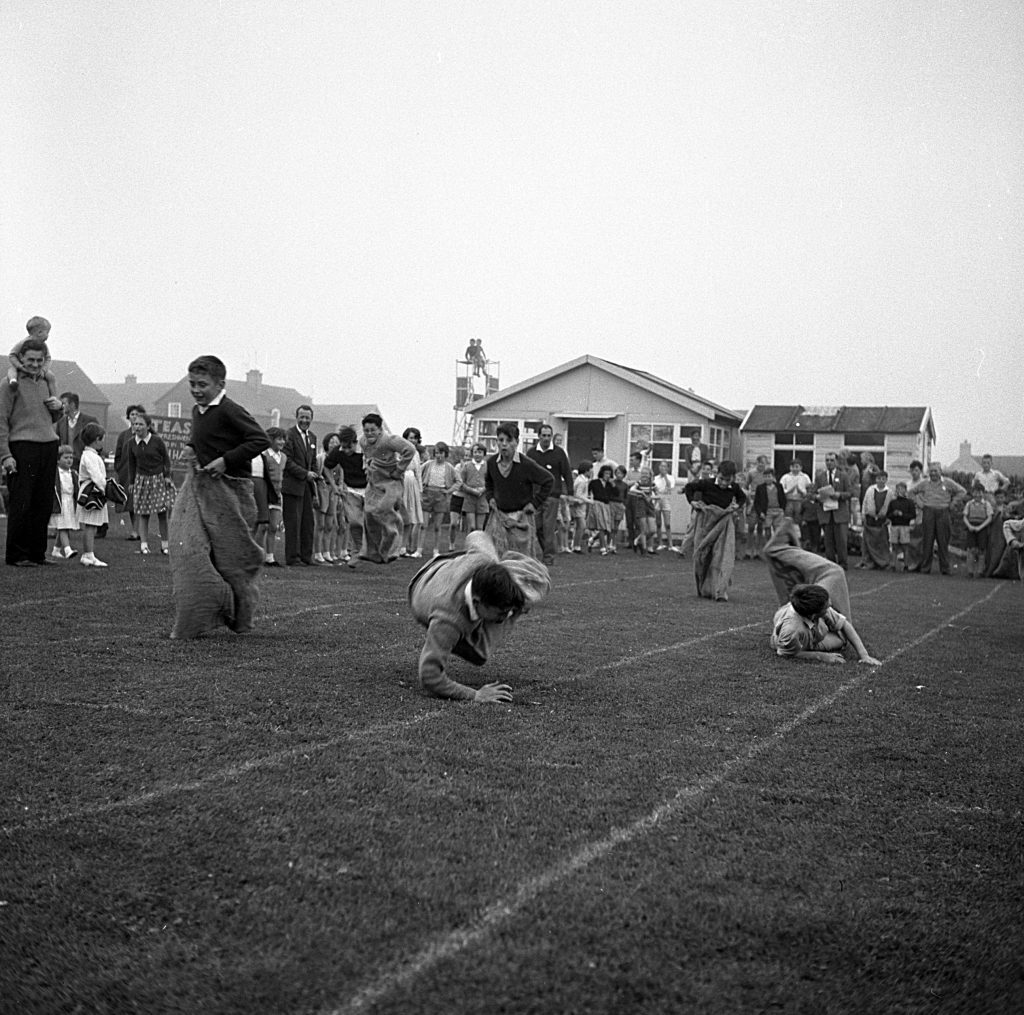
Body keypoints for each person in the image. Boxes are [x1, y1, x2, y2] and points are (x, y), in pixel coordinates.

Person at [171, 355, 269, 639]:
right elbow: (202, 436)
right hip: (200, 487)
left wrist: (226, 460)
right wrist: (191, 447)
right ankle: (197, 617)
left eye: (203, 384)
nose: (196, 390)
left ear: (221, 384)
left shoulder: (229, 410)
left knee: (232, 561)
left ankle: (241, 617)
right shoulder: (197, 411)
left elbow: (258, 440)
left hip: (231, 492)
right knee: (189, 548)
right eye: (192, 384)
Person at [408, 530, 550, 702]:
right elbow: (430, 677)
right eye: (502, 612)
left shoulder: (485, 560)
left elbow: (476, 535)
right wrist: (475, 694)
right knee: (479, 654)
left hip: (448, 569)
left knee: (525, 577)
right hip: (423, 587)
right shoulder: (448, 621)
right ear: (477, 602)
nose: (505, 616)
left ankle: (511, 589)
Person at [764, 518, 880, 665]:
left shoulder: (815, 609)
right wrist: (821, 656)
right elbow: (785, 653)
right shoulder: (792, 630)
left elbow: (845, 625)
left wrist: (864, 655)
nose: (830, 604)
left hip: (804, 628)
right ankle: (778, 549)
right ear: (814, 614)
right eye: (826, 606)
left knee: (834, 575)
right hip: (801, 636)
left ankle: (781, 550)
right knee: (834, 572)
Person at [0, 335, 63, 566]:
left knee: (43, 503)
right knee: (22, 502)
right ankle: (17, 555)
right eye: (30, 360)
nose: (35, 364)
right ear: (21, 359)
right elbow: (1, 422)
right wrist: (6, 456)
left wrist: (60, 408)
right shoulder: (9, 384)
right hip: (22, 447)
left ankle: (37, 554)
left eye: (39, 360)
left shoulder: (47, 381)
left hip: (48, 446)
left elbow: (53, 417)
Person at [484, 422, 552, 559]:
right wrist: (490, 497)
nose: (504, 444)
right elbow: (488, 482)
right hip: (499, 517)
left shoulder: (526, 464)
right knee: (495, 558)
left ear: (516, 442)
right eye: (500, 440)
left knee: (521, 559)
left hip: (521, 518)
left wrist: (534, 503)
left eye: (509, 440)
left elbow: (548, 480)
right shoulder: (491, 463)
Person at [682, 459, 747, 601]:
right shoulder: (706, 483)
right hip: (705, 524)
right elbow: (689, 488)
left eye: (728, 480)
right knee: (702, 557)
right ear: (717, 474)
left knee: (722, 556)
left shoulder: (734, 487)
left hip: (723, 524)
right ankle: (703, 588)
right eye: (722, 479)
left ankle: (720, 591)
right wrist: (692, 502)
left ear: (733, 478)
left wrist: (737, 506)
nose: (724, 483)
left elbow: (742, 497)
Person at [360, 413, 416, 564]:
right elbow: (367, 458)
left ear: (380, 429)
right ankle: (373, 552)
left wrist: (399, 470)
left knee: (384, 509)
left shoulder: (389, 440)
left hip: (392, 480)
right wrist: (368, 468)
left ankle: (394, 547)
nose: (370, 433)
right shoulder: (363, 442)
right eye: (366, 430)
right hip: (375, 480)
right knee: (369, 513)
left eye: (373, 430)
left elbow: (410, 449)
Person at [527, 423, 574, 566]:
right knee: (537, 527)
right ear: (538, 436)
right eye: (544, 436)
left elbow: (566, 472)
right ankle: (546, 551)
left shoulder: (559, 453)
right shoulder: (531, 453)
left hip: (552, 494)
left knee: (548, 527)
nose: (546, 438)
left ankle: (548, 558)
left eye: (549, 436)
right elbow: (526, 473)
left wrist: (570, 491)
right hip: (535, 495)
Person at [128, 412, 174, 555]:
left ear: (148, 426)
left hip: (158, 479)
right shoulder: (131, 443)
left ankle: (165, 545)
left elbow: (166, 460)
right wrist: (131, 482)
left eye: (141, 424)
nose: (137, 427)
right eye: (135, 424)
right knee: (143, 513)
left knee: (162, 513)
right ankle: (144, 545)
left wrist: (167, 476)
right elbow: (131, 464)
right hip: (142, 480)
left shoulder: (157, 441)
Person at [910, 463, 966, 575]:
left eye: (935, 471)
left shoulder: (948, 482)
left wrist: (953, 503)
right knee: (927, 541)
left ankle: (945, 569)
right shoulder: (924, 483)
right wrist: (920, 503)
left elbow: (962, 491)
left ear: (940, 471)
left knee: (943, 541)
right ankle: (925, 568)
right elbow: (911, 492)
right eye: (931, 471)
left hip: (943, 512)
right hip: (928, 512)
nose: (933, 473)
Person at [324, 425, 368, 566]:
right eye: (344, 447)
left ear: (355, 442)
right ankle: (356, 552)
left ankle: (372, 549)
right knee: (355, 522)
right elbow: (326, 466)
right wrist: (334, 485)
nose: (346, 451)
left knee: (371, 522)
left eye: (349, 447)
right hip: (351, 490)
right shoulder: (339, 451)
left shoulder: (365, 450)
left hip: (369, 489)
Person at [282, 406, 319, 567]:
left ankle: (306, 556)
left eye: (307, 417)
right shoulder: (289, 435)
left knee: (308, 523)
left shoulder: (312, 437)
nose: (304, 420)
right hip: (293, 485)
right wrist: (305, 473)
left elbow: (313, 461)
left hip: (307, 487)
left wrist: (315, 474)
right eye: (302, 417)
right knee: (293, 522)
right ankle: (293, 557)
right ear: (296, 417)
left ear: (312, 418)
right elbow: (287, 461)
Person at [811, 452, 854, 568]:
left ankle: (843, 563)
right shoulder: (820, 477)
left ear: (837, 462)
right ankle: (830, 563)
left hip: (839, 513)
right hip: (826, 512)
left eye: (831, 460)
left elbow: (850, 492)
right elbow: (812, 494)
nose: (829, 463)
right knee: (828, 540)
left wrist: (839, 495)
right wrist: (817, 497)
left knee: (841, 540)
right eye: (827, 460)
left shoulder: (843, 476)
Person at [76, 422, 110, 567]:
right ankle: (88, 555)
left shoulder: (92, 455)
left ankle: (88, 554)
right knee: (90, 524)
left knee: (93, 524)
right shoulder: (89, 456)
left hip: (95, 491)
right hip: (91, 493)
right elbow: (95, 475)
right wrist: (105, 488)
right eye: (102, 439)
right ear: (97, 439)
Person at [113, 404, 146, 541]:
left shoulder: (147, 434)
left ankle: (139, 531)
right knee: (131, 502)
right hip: (127, 473)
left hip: (142, 472)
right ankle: (135, 530)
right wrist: (119, 469)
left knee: (140, 501)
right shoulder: (123, 435)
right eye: (132, 414)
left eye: (137, 414)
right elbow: (118, 454)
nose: (134, 417)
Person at [420, 441, 457, 557]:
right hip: (427, 494)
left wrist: (449, 490)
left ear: (445, 454)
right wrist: (421, 488)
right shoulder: (428, 464)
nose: (438, 456)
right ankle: (419, 549)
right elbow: (418, 474)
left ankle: (436, 550)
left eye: (441, 453)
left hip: (441, 495)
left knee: (437, 526)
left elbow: (459, 481)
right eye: (436, 453)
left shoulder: (449, 467)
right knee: (423, 524)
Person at [7, 317, 58, 396]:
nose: (48, 335)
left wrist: (43, 370)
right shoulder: (23, 343)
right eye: (47, 332)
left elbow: (48, 358)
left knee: (51, 376)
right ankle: (13, 381)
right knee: (12, 370)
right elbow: (12, 355)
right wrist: (19, 366)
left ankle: (54, 396)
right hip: (23, 366)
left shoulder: (43, 345)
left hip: (39, 369)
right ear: (40, 332)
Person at [261, 427, 287, 566]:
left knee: (273, 526)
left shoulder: (283, 457)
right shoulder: (264, 455)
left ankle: (270, 557)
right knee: (262, 526)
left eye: (283, 439)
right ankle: (257, 554)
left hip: (277, 495)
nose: (282, 442)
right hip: (265, 494)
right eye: (279, 439)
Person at [398, 427, 425, 559]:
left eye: (415, 438)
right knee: (401, 515)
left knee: (412, 516)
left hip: (412, 483)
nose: (413, 440)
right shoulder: (400, 451)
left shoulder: (416, 454)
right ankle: (398, 546)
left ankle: (407, 547)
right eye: (410, 438)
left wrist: (420, 491)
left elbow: (418, 473)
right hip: (402, 482)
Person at [859, 470, 894, 570]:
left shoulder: (890, 492)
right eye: (879, 478)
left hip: (882, 521)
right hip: (870, 519)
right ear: (876, 479)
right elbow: (865, 502)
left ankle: (882, 563)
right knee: (868, 543)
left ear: (886, 480)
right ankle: (868, 562)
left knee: (881, 543)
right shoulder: (870, 490)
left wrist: (889, 519)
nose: (881, 481)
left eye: (883, 479)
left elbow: (892, 507)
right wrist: (863, 515)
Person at [56, 392, 99, 471]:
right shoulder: (61, 422)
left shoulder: (89, 421)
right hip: (65, 466)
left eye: (63, 404)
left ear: (72, 404)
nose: (61, 407)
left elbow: (97, 443)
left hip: (84, 465)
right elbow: (58, 443)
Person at [49, 444, 79, 559]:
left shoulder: (73, 474)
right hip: (60, 503)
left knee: (65, 526)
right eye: (65, 458)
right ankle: (67, 550)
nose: (69, 460)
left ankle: (56, 550)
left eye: (71, 457)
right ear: (58, 460)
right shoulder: (55, 473)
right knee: (62, 526)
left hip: (70, 502)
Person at [962, 482, 994, 579]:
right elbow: (964, 517)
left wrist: (980, 527)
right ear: (972, 493)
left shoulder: (986, 504)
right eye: (975, 492)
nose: (977, 495)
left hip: (982, 528)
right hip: (971, 527)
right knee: (971, 549)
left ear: (983, 493)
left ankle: (980, 571)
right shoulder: (969, 504)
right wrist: (970, 526)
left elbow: (989, 518)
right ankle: (970, 571)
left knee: (982, 550)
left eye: (980, 492)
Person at [457, 442, 489, 537]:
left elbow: (491, 482)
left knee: (480, 528)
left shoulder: (488, 466)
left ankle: (479, 549)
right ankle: (469, 548)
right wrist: (471, 490)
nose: (477, 454)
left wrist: (483, 489)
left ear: (483, 453)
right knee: (472, 527)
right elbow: (460, 482)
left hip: (482, 500)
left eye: (480, 452)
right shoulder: (467, 466)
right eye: (475, 452)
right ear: (472, 453)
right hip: (469, 499)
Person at [743, 456, 770, 559]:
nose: (762, 465)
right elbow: (746, 485)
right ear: (757, 463)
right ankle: (749, 550)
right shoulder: (751, 473)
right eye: (760, 463)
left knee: (760, 527)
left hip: (763, 501)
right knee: (751, 526)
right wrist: (748, 497)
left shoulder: (768, 473)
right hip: (753, 501)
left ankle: (759, 551)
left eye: (764, 463)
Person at [627, 466, 658, 554]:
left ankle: (637, 540)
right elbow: (632, 489)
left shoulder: (652, 484)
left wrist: (651, 497)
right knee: (643, 529)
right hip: (641, 505)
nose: (644, 475)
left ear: (650, 475)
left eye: (646, 473)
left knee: (652, 530)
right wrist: (642, 493)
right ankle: (644, 549)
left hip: (650, 506)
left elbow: (659, 496)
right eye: (643, 473)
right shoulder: (638, 483)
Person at [886, 481, 916, 571]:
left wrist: (902, 514)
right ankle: (893, 565)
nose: (899, 490)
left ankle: (906, 565)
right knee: (894, 545)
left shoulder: (909, 502)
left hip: (905, 526)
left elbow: (913, 515)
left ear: (905, 490)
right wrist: (893, 514)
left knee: (905, 546)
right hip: (894, 525)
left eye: (902, 489)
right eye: (898, 489)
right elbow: (888, 514)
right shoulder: (893, 502)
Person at [752, 466, 786, 542]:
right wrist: (760, 512)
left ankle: (776, 545)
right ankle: (768, 543)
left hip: (778, 510)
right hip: (767, 511)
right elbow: (756, 502)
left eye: (769, 476)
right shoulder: (760, 488)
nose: (767, 478)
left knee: (777, 529)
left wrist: (783, 509)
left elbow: (783, 499)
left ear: (773, 477)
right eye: (765, 477)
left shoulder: (779, 486)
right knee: (767, 529)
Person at [588, 464, 616, 555]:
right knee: (601, 526)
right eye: (606, 473)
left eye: (609, 474)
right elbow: (589, 491)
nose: (608, 475)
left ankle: (592, 539)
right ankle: (603, 548)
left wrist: (613, 485)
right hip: (597, 504)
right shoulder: (595, 482)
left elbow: (615, 494)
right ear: (602, 473)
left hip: (606, 506)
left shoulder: (609, 484)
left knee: (607, 529)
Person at [653, 460, 676, 551]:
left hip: (666, 500)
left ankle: (670, 544)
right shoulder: (655, 478)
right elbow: (655, 489)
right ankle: (660, 543)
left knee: (667, 524)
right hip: (658, 500)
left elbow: (669, 487)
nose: (662, 468)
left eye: (665, 466)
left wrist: (665, 476)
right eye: (661, 466)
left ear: (667, 468)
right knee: (658, 523)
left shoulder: (671, 477)